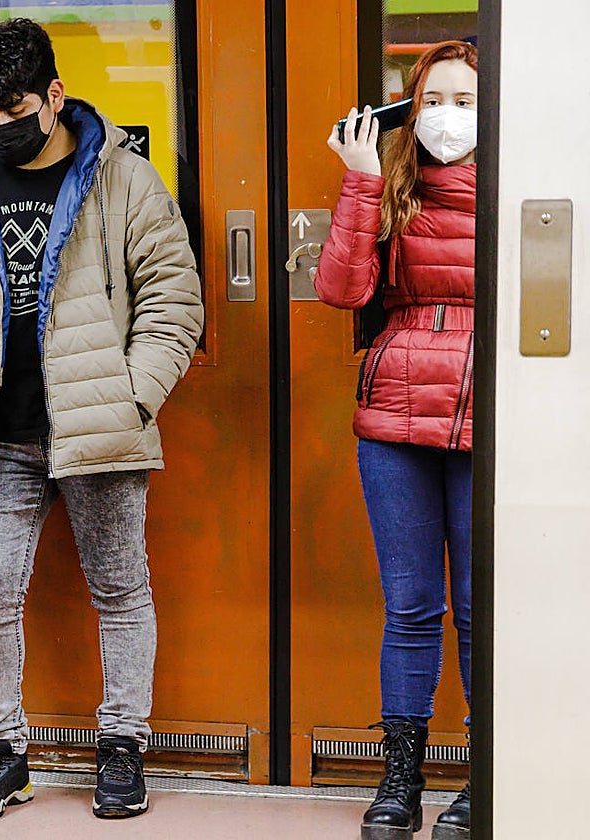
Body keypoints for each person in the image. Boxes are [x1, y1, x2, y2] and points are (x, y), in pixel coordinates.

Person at [0, 18, 203, 823]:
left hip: (97, 422)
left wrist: (131, 396)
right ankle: (4, 755)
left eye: (13, 111)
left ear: (54, 96)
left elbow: (175, 305)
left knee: (119, 586)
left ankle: (123, 746)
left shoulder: (125, 181)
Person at [316, 40, 477, 840]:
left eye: (465, 100)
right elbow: (342, 289)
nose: (449, 117)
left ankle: (487, 776)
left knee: (484, 613)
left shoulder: (528, 185)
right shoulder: (393, 181)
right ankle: (402, 779)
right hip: (396, 416)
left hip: (490, 414)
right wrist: (361, 181)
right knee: (411, 608)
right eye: (434, 101)